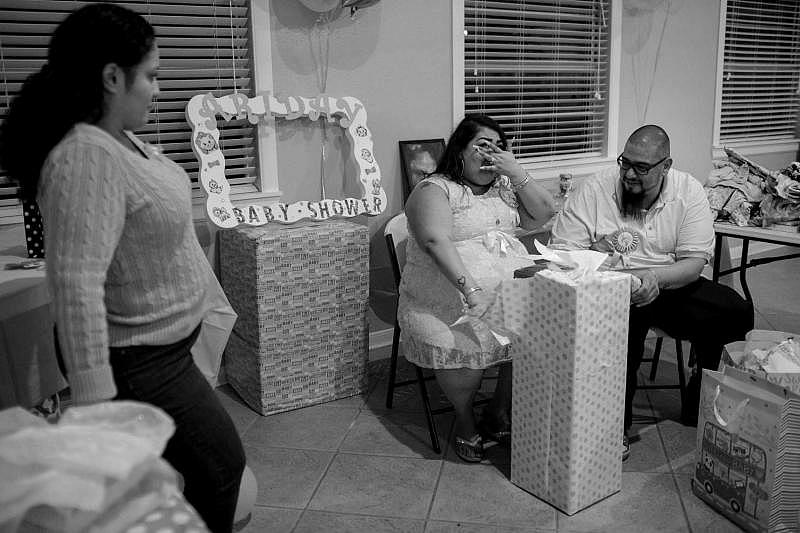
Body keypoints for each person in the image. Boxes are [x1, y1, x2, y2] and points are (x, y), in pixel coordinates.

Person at [0, 4, 245, 531]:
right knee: (221, 467)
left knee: (194, 471)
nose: (157, 90)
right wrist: (94, 402)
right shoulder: (85, 156)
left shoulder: (120, 139)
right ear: (113, 76)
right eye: (151, 76)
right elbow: (75, 284)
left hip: (164, 349)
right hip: (139, 360)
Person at [550, 125, 753, 460]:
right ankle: (613, 426)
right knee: (626, 322)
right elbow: (563, 248)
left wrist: (654, 279)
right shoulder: (597, 188)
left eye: (642, 168)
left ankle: (703, 400)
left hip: (668, 281)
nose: (630, 174)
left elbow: (693, 264)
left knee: (734, 310)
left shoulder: (688, 191)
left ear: (666, 166)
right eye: (625, 163)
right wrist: (598, 256)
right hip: (607, 284)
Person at [397, 114, 555, 462]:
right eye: (482, 146)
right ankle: (465, 418)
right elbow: (437, 241)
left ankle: (498, 410)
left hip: (507, 295)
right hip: (440, 300)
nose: (491, 154)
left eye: (499, 148)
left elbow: (544, 213)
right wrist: (471, 291)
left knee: (531, 336)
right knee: (465, 344)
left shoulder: (503, 189)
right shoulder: (434, 189)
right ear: (460, 150)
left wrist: (515, 172)